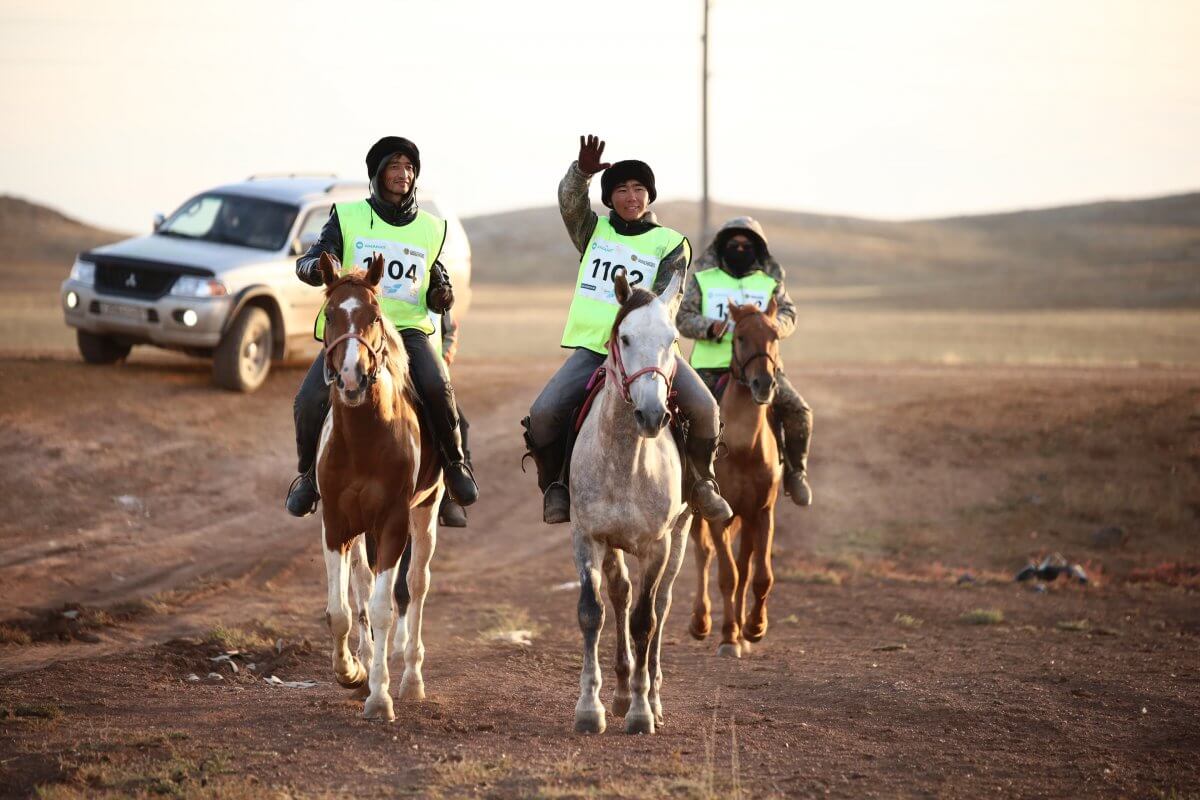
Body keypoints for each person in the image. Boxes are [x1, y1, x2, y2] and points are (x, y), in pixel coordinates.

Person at [522, 135, 732, 525]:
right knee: (544, 414)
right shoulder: (592, 232)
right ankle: (555, 486)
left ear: (649, 196)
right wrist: (581, 173)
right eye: (621, 189)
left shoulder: (671, 243)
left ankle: (703, 482)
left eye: (638, 189)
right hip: (595, 348)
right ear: (610, 198)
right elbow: (571, 203)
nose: (630, 196)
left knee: (705, 408)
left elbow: (669, 298)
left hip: (649, 352)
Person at [284, 136, 478, 517]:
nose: (402, 174)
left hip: (407, 331)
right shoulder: (348, 216)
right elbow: (311, 260)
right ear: (377, 173)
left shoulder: (430, 227)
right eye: (394, 166)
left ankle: (454, 467)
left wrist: (441, 294)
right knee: (308, 400)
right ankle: (307, 476)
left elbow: (434, 278)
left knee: (438, 387)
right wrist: (318, 269)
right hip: (354, 329)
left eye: (409, 168)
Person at [677, 216, 814, 505]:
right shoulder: (704, 279)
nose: (740, 248)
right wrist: (710, 327)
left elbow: (789, 313)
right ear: (722, 246)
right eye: (733, 244)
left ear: (758, 249)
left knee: (798, 410)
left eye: (747, 244)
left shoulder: (770, 283)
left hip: (761, 367)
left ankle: (794, 472)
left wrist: (776, 327)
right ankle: (686, 481)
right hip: (710, 367)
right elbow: (683, 317)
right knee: (684, 418)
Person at [436, 309, 470, 528]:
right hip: (377, 367)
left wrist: (440, 361)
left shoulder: (433, 277)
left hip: (425, 362)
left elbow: (450, 332)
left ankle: (452, 494)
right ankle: (311, 477)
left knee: (460, 424)